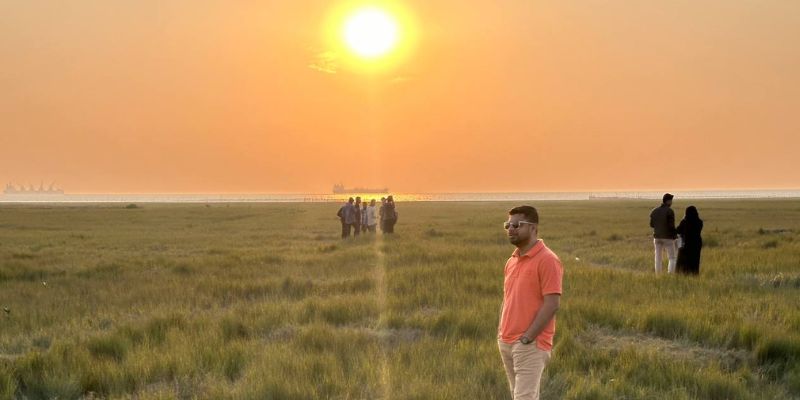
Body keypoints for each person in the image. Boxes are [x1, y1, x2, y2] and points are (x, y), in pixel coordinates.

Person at [498, 206, 563, 400]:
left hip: (530, 344)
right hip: (506, 341)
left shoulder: (548, 260)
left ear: (534, 228)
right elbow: (507, 298)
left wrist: (527, 338)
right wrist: (501, 333)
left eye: (517, 225)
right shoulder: (511, 260)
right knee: (518, 395)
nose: (511, 229)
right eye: (508, 224)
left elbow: (552, 303)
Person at [649, 193, 677, 273]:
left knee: (658, 258)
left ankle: (658, 275)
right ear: (668, 201)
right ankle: (670, 274)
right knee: (672, 258)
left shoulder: (654, 211)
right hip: (668, 238)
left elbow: (651, 225)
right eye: (671, 201)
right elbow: (671, 226)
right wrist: (675, 235)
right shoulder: (670, 211)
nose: (671, 203)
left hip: (657, 237)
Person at [676, 206, 703, 275]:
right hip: (697, 244)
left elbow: (678, 230)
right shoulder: (700, 222)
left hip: (686, 243)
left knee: (685, 261)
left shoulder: (684, 222)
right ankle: (695, 274)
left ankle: (685, 274)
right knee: (695, 260)